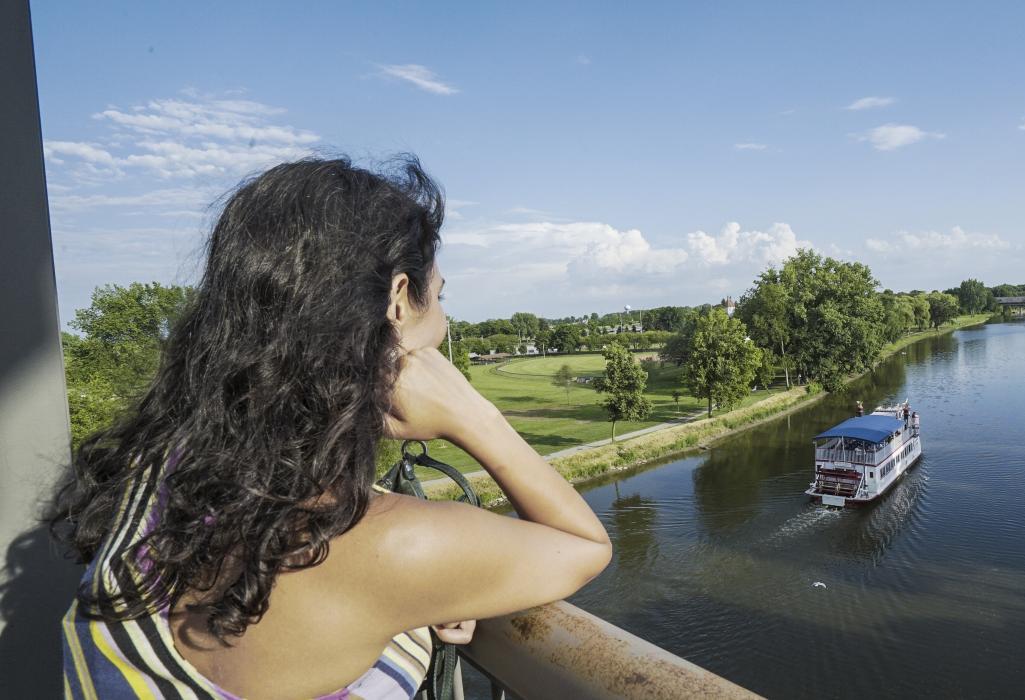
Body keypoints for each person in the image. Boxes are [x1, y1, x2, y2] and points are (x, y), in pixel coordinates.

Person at [47, 157, 612, 699]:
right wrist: (476, 416)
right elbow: (583, 548)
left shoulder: (163, 472)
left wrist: (432, 586)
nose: (442, 319)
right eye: (438, 298)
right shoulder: (387, 544)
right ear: (397, 302)